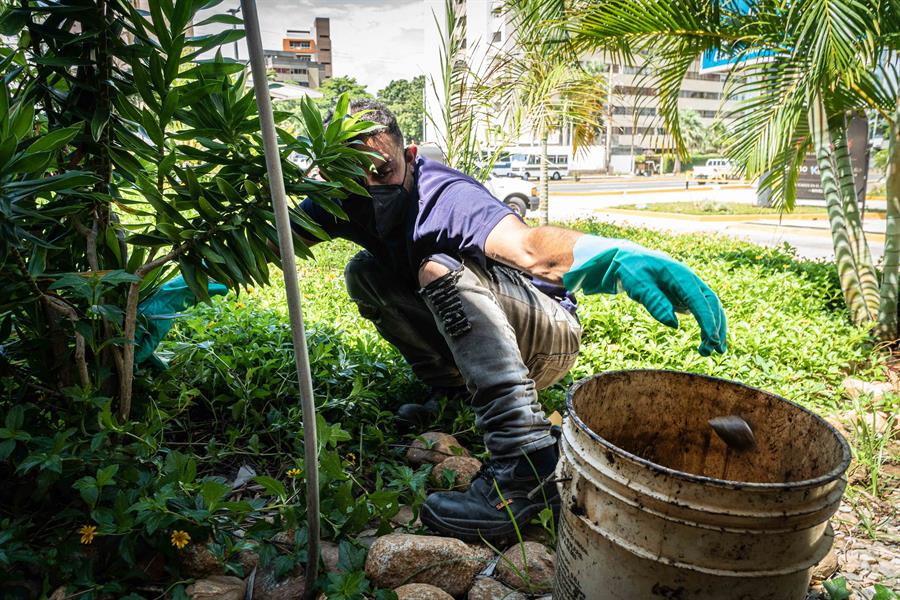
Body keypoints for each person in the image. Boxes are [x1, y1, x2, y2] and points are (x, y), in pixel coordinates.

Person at [294, 99, 726, 544]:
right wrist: (220, 264)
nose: (369, 188)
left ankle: (527, 463)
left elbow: (527, 247)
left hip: (545, 334)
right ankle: (454, 392)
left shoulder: (443, 195)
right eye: (351, 178)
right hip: (485, 337)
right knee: (364, 273)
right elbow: (272, 235)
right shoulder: (338, 201)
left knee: (438, 269)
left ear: (410, 156)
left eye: (382, 173)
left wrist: (612, 258)